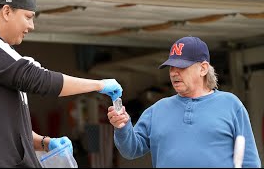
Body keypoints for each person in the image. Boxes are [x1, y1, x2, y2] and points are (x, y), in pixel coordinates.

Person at [0, 0, 122, 168]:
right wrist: (98, 85)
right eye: (28, 16)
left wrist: (45, 143)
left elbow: (6, 126)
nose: (32, 26)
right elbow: (38, 79)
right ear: (7, 11)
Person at [107, 36, 261, 168]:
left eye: (181, 66)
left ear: (203, 68)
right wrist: (122, 127)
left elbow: (250, 161)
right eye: (171, 67)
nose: (174, 72)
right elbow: (131, 151)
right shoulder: (157, 110)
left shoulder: (230, 104)